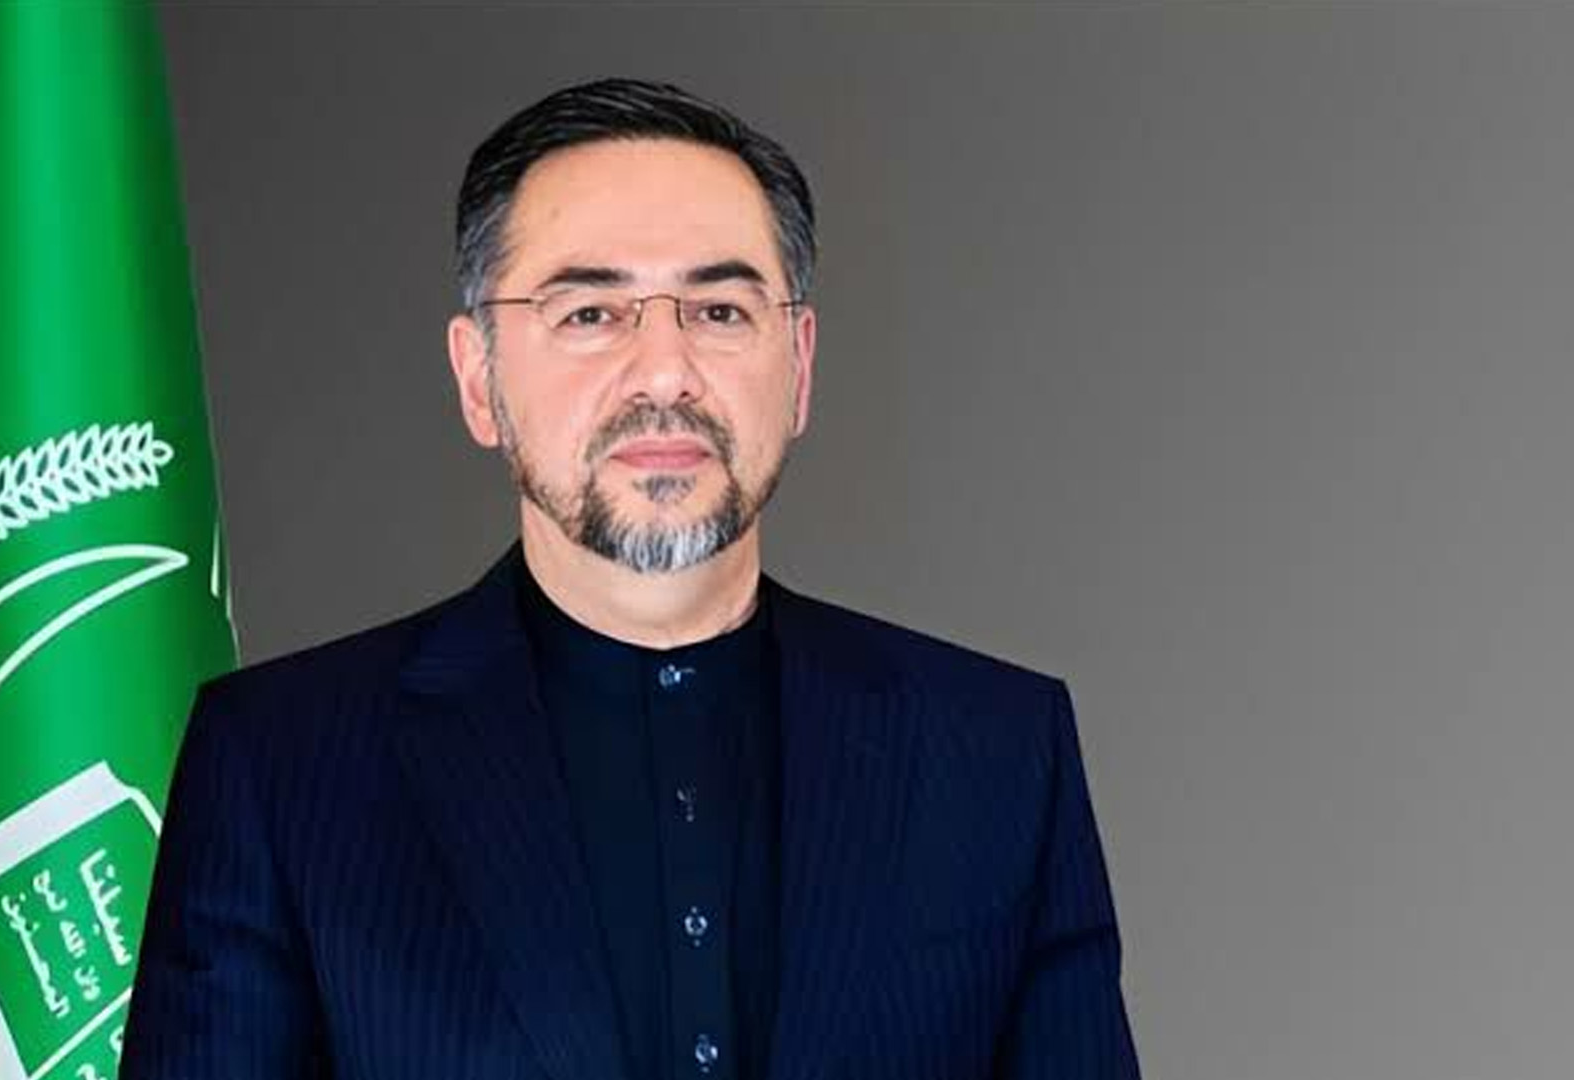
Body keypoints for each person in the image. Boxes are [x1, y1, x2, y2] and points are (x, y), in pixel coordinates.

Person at [121, 77, 1139, 1080]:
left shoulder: (995, 751)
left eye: (721, 310)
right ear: (479, 377)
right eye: (591, 314)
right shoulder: (280, 764)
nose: (663, 373)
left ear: (800, 365)